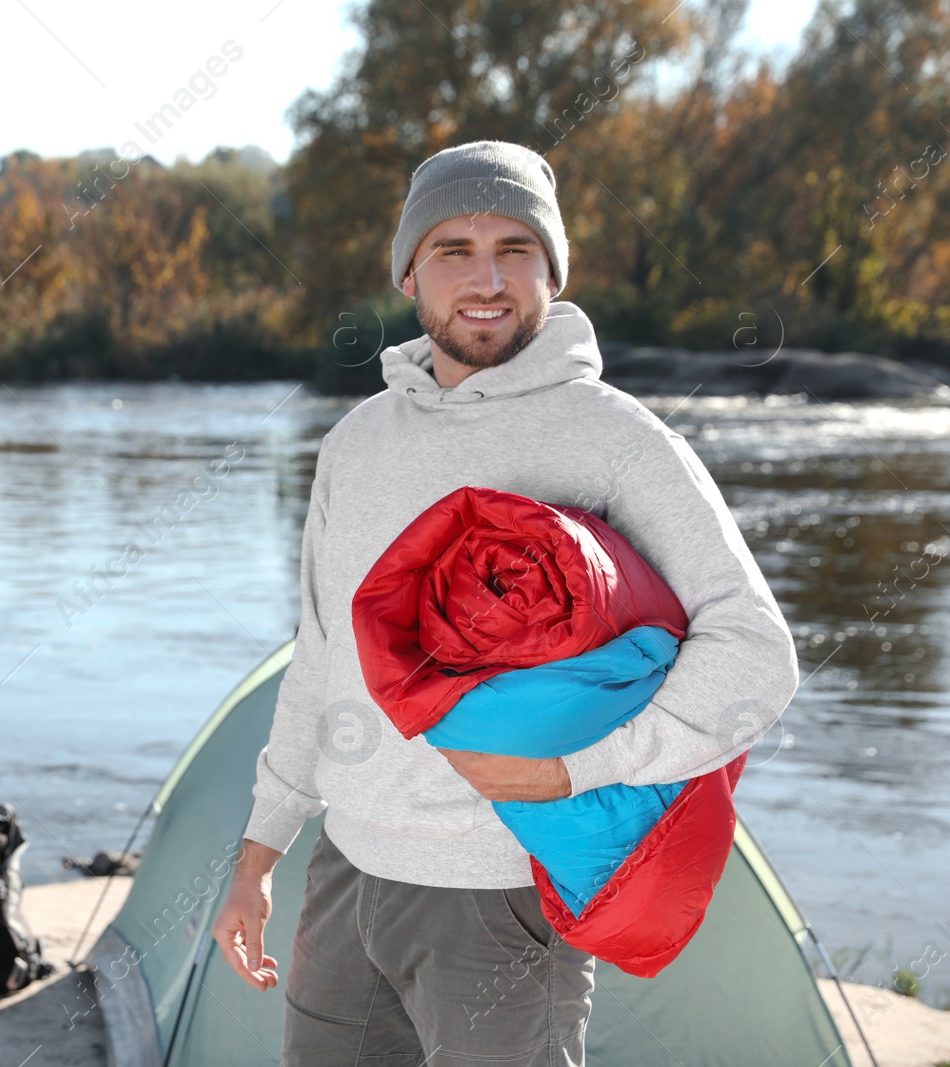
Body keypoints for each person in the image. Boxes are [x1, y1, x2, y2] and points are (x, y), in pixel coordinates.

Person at [211, 140, 799, 1065]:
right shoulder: (355, 445)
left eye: (515, 248)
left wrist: (581, 770)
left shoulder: (616, 440)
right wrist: (260, 852)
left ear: (552, 272)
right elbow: (319, 659)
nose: (486, 279)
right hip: (346, 873)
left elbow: (757, 655)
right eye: (453, 249)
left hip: (501, 901)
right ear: (410, 271)